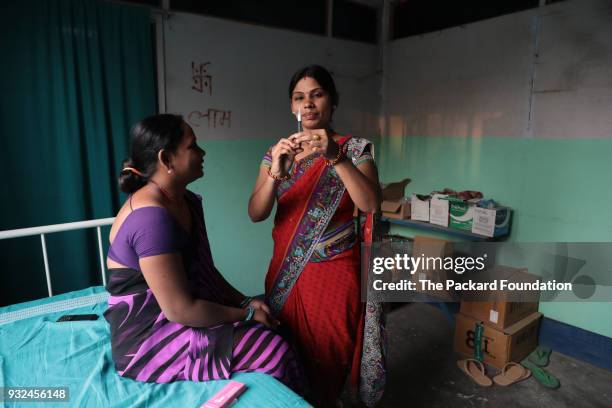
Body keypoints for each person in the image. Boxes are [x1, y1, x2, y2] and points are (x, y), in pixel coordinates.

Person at [104, 114, 304, 391]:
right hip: (149, 338)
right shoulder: (150, 219)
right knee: (273, 350)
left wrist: (246, 301)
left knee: (276, 320)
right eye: (193, 146)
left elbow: (205, 271)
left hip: (182, 311)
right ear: (166, 159)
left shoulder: (185, 201)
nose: (203, 152)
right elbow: (179, 310)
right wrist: (245, 315)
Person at [248, 65, 385, 407]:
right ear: (292, 107)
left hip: (334, 273)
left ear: (333, 102)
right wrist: (275, 176)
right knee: (285, 350)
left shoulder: (354, 149)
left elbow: (369, 203)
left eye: (316, 94)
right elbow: (256, 213)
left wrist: (335, 157)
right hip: (285, 273)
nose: (307, 104)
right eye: (299, 97)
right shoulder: (276, 152)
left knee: (329, 354)